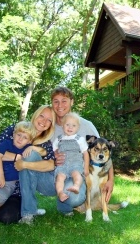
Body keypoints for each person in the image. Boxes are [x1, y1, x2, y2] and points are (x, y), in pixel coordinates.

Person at [16, 86, 114, 223]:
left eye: (64, 101)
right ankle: (28, 213)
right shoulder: (48, 124)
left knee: (76, 197)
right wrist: (51, 156)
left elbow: (104, 151)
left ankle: (64, 207)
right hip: (51, 176)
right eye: (55, 101)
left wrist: (110, 179)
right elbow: (32, 146)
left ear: (72, 102)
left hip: (74, 174)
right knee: (29, 155)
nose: (59, 105)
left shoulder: (86, 125)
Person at [0, 105, 55, 225]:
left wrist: (27, 160)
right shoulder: (16, 129)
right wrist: (16, 157)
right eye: (42, 116)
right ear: (35, 115)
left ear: (51, 124)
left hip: (17, 190)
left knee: (7, 217)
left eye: (49, 120)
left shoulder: (45, 143)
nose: (44, 121)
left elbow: (51, 165)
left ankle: (17, 208)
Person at [0, 121, 35, 230]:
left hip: (10, 183)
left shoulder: (27, 150)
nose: (20, 139)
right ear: (14, 134)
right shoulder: (6, 143)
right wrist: (1, 175)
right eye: (19, 135)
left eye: (25, 137)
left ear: (29, 141)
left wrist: (32, 148)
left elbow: (40, 154)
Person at [52, 112, 89, 202]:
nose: (70, 127)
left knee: (76, 174)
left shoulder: (79, 139)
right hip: (62, 165)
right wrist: (55, 157)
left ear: (77, 128)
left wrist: (86, 168)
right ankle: (60, 192)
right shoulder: (59, 139)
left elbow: (85, 154)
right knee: (59, 177)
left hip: (75, 164)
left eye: (73, 125)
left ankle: (76, 186)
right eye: (67, 124)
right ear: (63, 126)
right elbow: (53, 151)